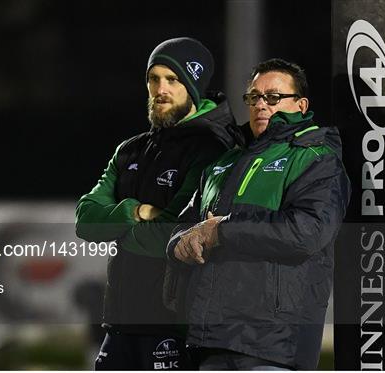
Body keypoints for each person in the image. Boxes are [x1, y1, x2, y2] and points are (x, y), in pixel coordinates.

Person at [166, 58, 351, 370]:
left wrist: (221, 231)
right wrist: (179, 244)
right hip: (208, 341)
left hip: (274, 346)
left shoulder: (316, 158)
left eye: (274, 97)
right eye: (254, 97)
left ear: (301, 105)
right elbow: (181, 226)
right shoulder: (222, 164)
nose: (261, 105)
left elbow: (306, 232)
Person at [75, 37, 243, 370]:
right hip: (121, 322)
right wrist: (133, 211)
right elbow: (85, 220)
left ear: (193, 86)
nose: (160, 88)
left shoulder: (213, 148)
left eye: (173, 79)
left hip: (174, 325)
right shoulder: (131, 150)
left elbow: (171, 235)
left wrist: (119, 230)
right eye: (154, 79)